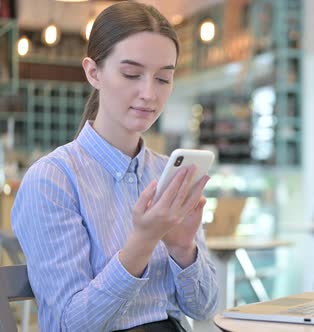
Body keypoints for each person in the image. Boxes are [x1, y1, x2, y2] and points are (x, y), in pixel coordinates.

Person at [11, 2, 219, 331]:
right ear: (94, 72)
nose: (149, 93)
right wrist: (143, 241)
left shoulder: (168, 172)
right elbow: (72, 324)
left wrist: (183, 247)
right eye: (131, 74)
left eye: (164, 78)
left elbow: (206, 307)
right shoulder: (52, 180)